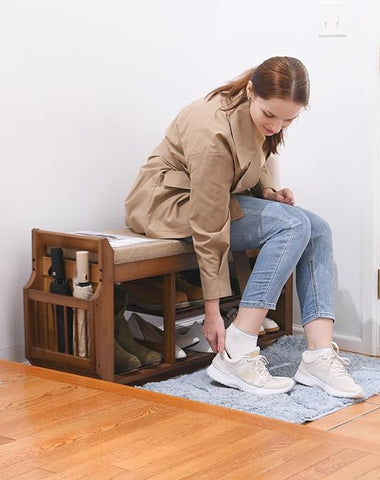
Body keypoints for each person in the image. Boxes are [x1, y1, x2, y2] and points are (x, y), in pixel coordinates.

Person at [125, 56, 364, 398]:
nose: (277, 126)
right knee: (293, 225)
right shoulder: (211, 130)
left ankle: (319, 355)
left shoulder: (258, 114)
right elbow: (209, 227)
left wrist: (266, 192)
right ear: (251, 90)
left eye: (288, 120)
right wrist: (212, 311)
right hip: (169, 205)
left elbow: (252, 160)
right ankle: (237, 350)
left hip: (218, 198)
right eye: (270, 115)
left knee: (319, 228)